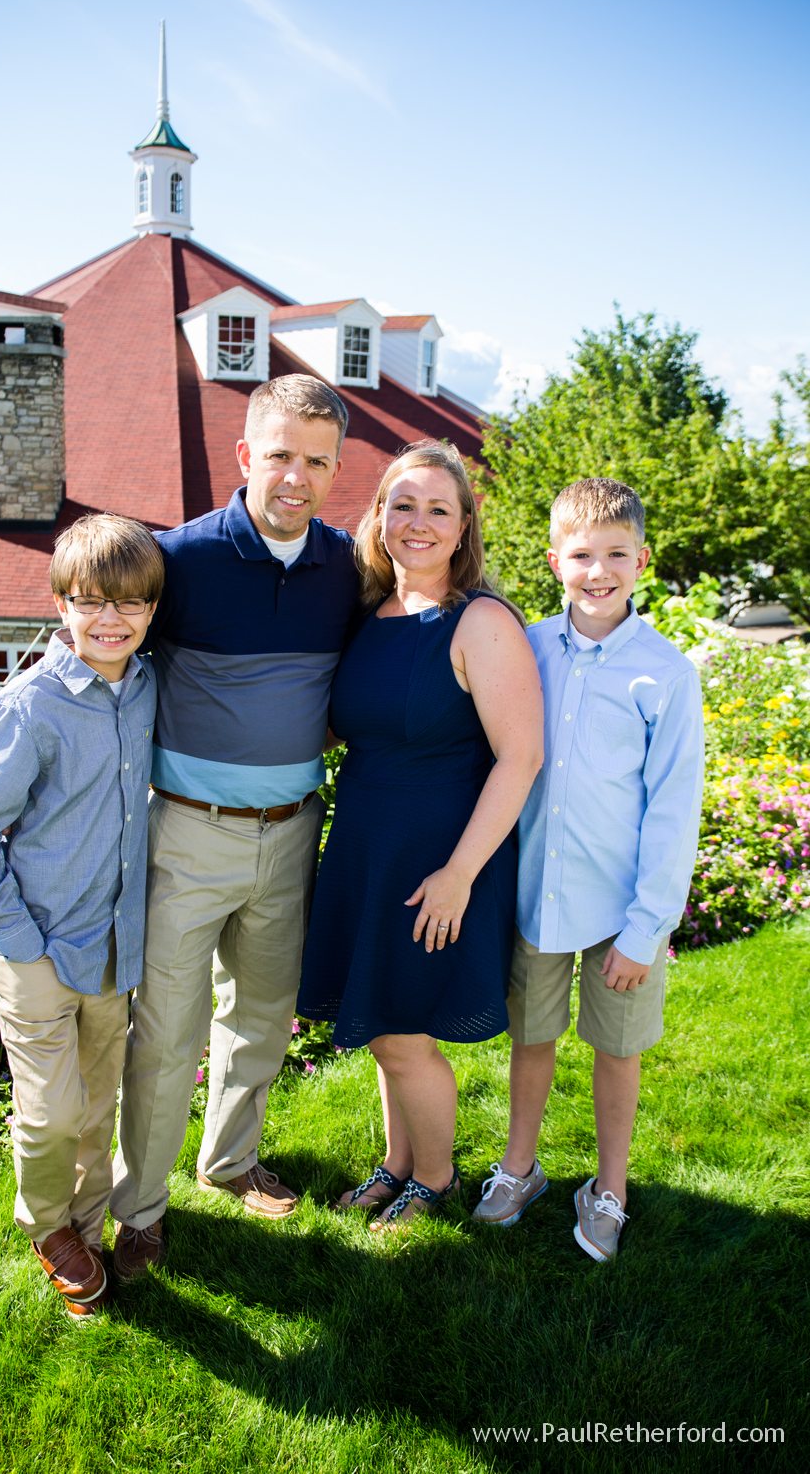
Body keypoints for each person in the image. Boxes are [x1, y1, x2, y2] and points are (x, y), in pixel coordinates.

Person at [110, 374, 360, 1278]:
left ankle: (229, 1161)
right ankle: (137, 1207)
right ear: (247, 456)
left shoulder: (347, 568)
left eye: (318, 462)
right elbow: (95, 643)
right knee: (166, 1028)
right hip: (188, 833)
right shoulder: (178, 560)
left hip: (294, 830)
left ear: (336, 470)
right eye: (282, 456)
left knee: (260, 1016)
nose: (298, 476)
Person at [297, 441, 544, 1229]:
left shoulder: (481, 621)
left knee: (403, 1034)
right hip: (368, 847)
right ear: (378, 517)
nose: (418, 522)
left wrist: (460, 874)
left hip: (438, 859)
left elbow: (521, 757)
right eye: (403, 505)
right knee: (382, 1026)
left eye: (439, 508)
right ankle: (397, 1165)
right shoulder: (373, 616)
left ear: (465, 524)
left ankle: (434, 1179)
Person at [0, 514, 163, 1319]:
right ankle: (44, 1225)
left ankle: (87, 1226)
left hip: (113, 949)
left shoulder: (143, 688)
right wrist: (20, 945)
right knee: (53, 1113)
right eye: (92, 602)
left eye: (131, 605)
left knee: (98, 1107)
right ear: (61, 605)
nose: (112, 621)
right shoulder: (29, 707)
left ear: (151, 611)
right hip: (35, 952)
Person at [473, 477, 704, 1260]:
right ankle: (519, 1166)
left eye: (614, 554)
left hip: (621, 912)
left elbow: (674, 809)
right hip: (536, 896)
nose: (597, 570)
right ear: (553, 560)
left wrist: (648, 928)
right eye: (581, 555)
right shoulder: (527, 649)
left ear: (641, 560)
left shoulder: (665, 673)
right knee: (532, 1038)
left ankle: (610, 1186)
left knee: (618, 1050)